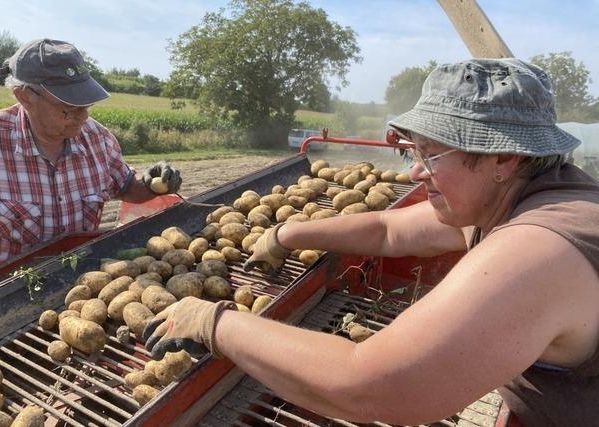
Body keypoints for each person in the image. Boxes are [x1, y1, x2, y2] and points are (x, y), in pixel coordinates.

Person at [143, 58, 599, 427]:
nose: (415, 172)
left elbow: (371, 385)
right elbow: (390, 229)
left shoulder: (542, 247)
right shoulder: (525, 194)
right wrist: (286, 234)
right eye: (413, 152)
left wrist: (212, 322)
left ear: (503, 157)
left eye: (430, 154)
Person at [0, 38, 182, 298]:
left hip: (83, 287)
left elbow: (126, 188)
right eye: (68, 108)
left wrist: (150, 183)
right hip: (1, 296)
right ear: (25, 96)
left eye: (86, 104)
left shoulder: (98, 139)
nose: (83, 117)